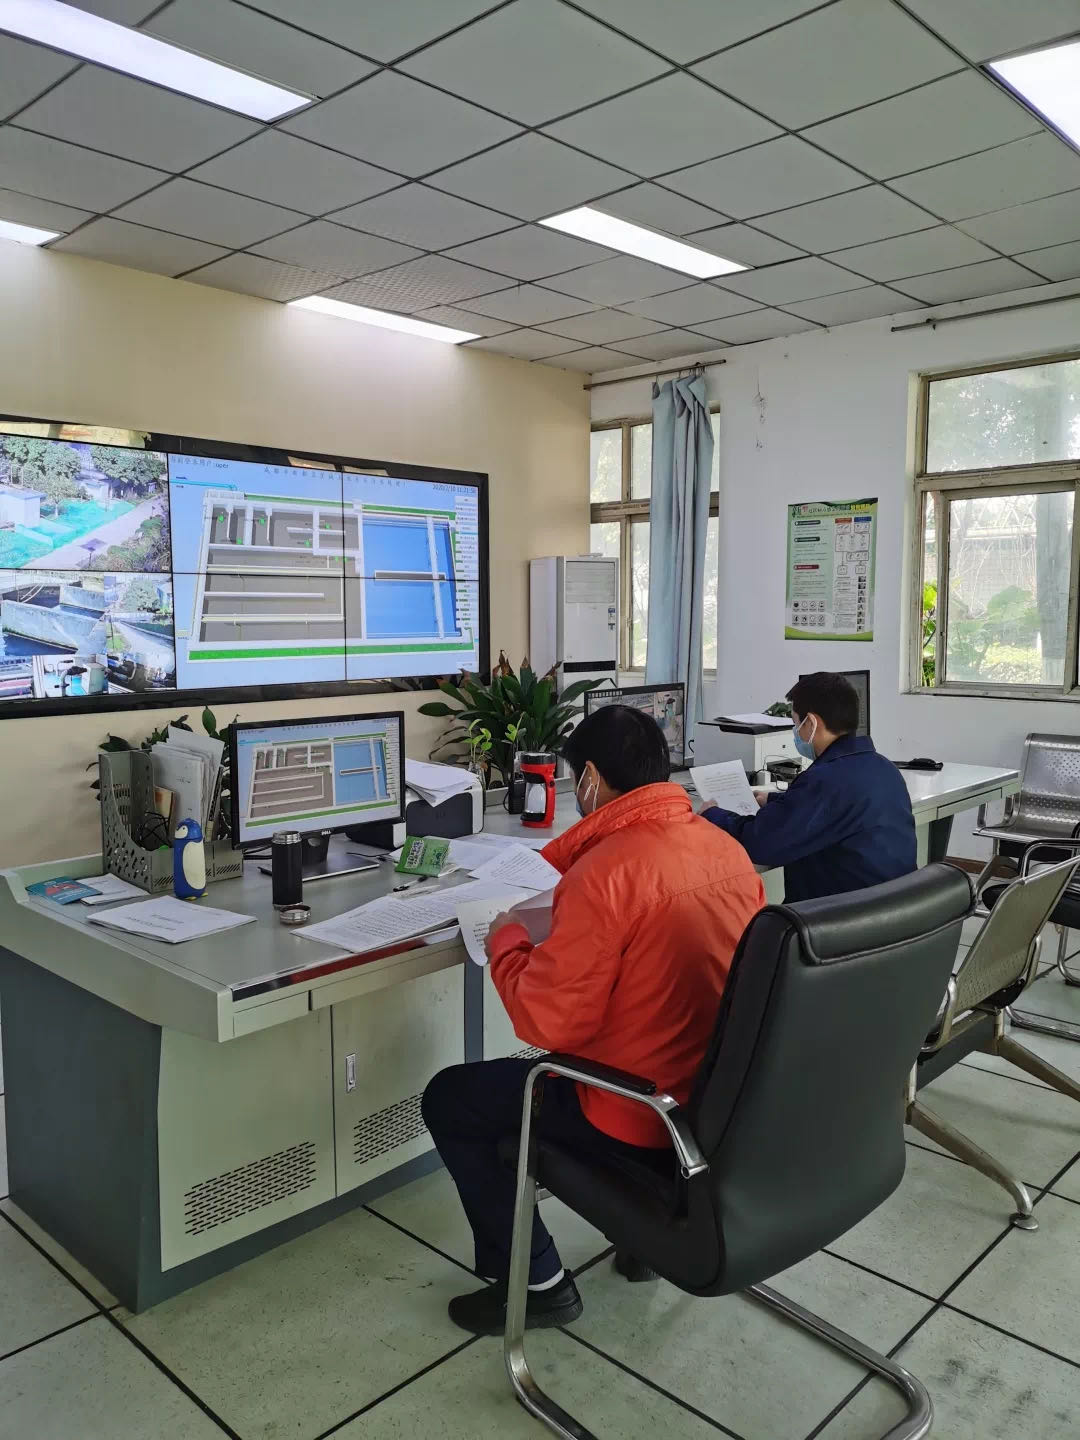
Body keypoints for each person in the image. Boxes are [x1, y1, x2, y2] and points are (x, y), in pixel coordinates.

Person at [422, 705, 765, 1336]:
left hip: (634, 1111)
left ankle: (539, 1284)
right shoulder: (727, 850)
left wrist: (506, 939)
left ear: (589, 781)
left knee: (453, 1098)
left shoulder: (606, 873)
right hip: (716, 1103)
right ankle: (640, 1246)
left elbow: (546, 1023)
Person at [701, 671, 916, 902]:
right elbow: (826, 809)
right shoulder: (885, 768)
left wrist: (713, 815)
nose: (796, 732)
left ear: (811, 723)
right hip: (891, 911)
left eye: (796, 724)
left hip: (837, 916)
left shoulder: (825, 780)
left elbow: (760, 843)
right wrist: (772, 801)